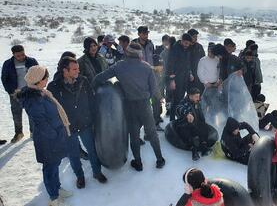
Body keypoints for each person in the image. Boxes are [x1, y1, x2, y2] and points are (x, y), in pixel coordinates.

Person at [93, 42, 165, 171]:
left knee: (134, 135)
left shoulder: (119, 66)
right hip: (144, 105)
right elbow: (154, 89)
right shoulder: (147, 67)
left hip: (129, 105)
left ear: (127, 53)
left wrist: (96, 91)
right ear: (140, 55)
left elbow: (99, 78)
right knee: (152, 133)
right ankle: (159, 159)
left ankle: (138, 163)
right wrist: (160, 98)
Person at [47, 57, 107, 189]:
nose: (78, 71)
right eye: (74, 69)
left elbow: (92, 100)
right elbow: (51, 109)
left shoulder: (83, 80)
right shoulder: (54, 87)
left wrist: (94, 117)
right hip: (68, 127)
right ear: (65, 70)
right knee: (73, 153)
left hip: (85, 123)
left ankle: (97, 172)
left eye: (78, 68)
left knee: (92, 150)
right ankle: (80, 176)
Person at [17, 65, 72, 206]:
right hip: (47, 140)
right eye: (45, 77)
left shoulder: (41, 93)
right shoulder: (33, 99)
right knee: (49, 168)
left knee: (55, 164)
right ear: (37, 80)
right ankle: (53, 197)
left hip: (54, 137)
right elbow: (41, 123)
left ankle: (57, 188)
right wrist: (54, 134)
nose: (47, 79)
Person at [1, 45, 38, 143]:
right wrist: (11, 91)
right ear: (13, 55)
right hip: (15, 93)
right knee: (16, 114)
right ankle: (19, 133)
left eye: (22, 54)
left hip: (30, 92)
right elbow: (4, 78)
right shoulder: (8, 64)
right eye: (18, 56)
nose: (21, 57)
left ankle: (33, 132)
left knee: (32, 113)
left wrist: (36, 88)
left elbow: (39, 74)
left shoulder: (32, 61)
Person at [175, 88, 213, 161]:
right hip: (184, 124)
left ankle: (203, 147)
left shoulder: (196, 102)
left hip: (195, 124)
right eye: (196, 96)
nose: (198, 98)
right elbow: (178, 108)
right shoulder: (184, 102)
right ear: (190, 96)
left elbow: (200, 115)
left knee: (204, 127)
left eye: (198, 96)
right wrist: (187, 114)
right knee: (187, 131)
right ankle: (193, 150)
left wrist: (203, 124)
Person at [167, 33, 193, 121]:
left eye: (188, 43)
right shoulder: (175, 49)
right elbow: (170, 66)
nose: (187, 45)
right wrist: (172, 80)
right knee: (176, 100)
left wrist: (190, 73)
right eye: (186, 43)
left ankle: (178, 117)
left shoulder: (187, 49)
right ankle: (172, 119)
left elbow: (188, 63)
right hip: (176, 79)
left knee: (181, 100)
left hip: (184, 78)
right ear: (181, 41)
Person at [187, 29, 206, 93]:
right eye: (194, 36)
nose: (196, 38)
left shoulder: (199, 47)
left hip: (199, 75)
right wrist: (189, 73)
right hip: (189, 75)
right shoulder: (186, 47)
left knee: (200, 92)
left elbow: (204, 60)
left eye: (196, 36)